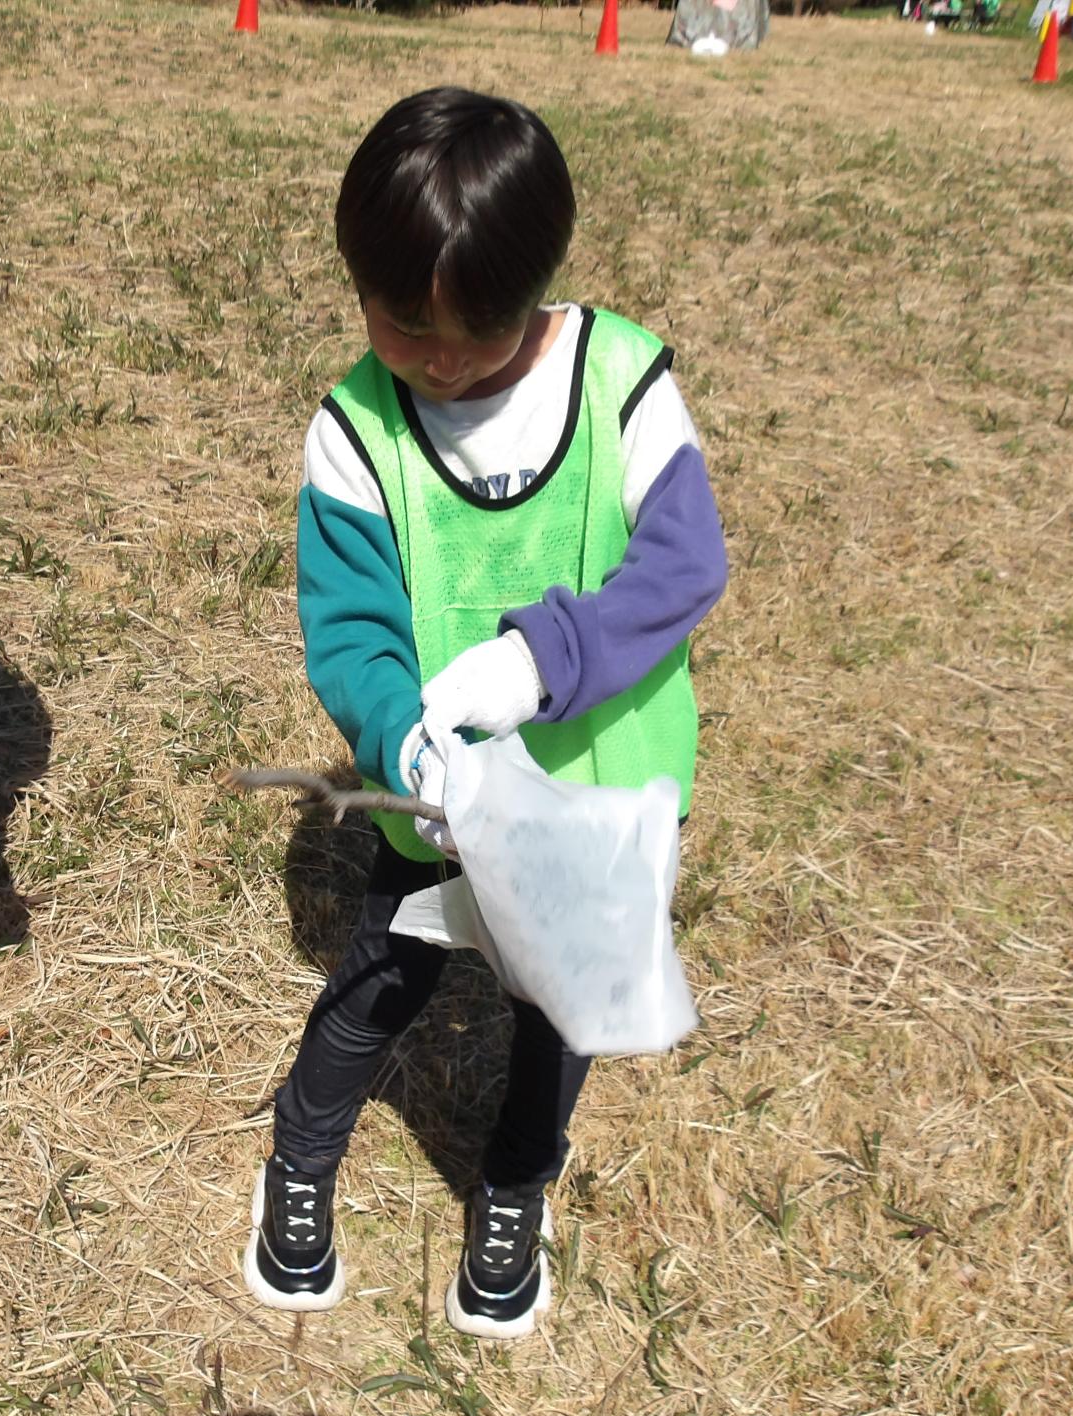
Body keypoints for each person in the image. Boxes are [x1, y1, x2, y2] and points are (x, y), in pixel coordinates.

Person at [244, 88, 729, 1340]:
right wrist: (401, 734)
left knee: (553, 1004)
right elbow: (348, 625)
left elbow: (680, 570)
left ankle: (515, 1184)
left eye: (478, 330)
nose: (441, 361)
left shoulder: (622, 382)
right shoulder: (355, 428)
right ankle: (300, 1157)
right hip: (436, 804)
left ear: (542, 284)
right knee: (382, 977)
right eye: (403, 326)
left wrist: (539, 661)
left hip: (588, 793)